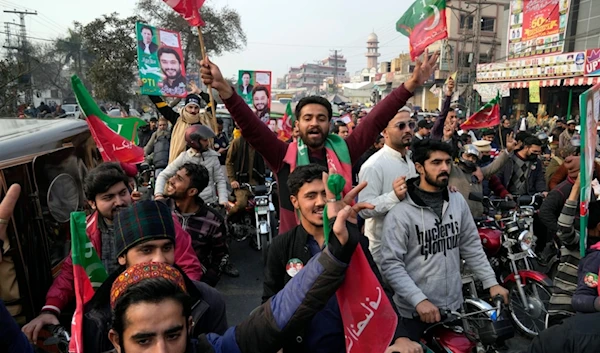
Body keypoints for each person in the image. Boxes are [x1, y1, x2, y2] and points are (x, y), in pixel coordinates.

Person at [107, 176, 370, 353]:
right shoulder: (91, 324)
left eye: (173, 335)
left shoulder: (209, 305)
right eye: (143, 340)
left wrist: (335, 248)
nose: (161, 350)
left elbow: (276, 313)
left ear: (189, 326)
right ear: (116, 340)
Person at [199, 50, 440, 235]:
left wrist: (411, 86)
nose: (314, 123)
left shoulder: (345, 151)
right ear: (297, 125)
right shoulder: (282, 157)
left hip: (342, 244)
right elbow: (252, 127)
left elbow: (375, 120)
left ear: (329, 124)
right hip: (297, 250)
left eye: (321, 118)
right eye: (308, 118)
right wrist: (225, 90)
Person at [21, 163, 201, 343]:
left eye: (122, 193)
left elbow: (189, 267)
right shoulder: (86, 234)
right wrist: (50, 309)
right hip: (108, 317)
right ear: (92, 203)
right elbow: (70, 273)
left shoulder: (156, 221)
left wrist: (182, 306)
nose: (120, 202)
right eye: (109, 197)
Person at [379, 139, 508, 343]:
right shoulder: (400, 212)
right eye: (436, 163)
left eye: (448, 162)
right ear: (419, 167)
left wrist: (491, 282)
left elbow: (471, 246)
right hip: (413, 314)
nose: (444, 168)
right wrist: (418, 300)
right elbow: (391, 264)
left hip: (453, 307)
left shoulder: (456, 201)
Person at [262, 164, 383, 353]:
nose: (320, 202)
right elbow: (270, 300)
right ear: (294, 201)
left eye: (325, 194)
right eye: (310, 196)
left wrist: (399, 336)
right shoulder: (280, 246)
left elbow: (379, 289)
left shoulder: (351, 241)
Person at [82, 200, 227, 353]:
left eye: (166, 248)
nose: (159, 259)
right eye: (146, 250)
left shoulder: (207, 301)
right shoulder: (96, 316)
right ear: (122, 257)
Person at [357, 107, 418, 265]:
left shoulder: (410, 159)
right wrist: (394, 197)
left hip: (412, 246)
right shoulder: (374, 166)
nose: (407, 130)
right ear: (385, 132)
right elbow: (363, 209)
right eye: (400, 126)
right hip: (384, 253)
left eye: (410, 125)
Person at [164, 163, 239, 283]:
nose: (171, 180)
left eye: (179, 179)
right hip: (161, 281)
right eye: (174, 176)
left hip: (194, 284)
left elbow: (220, 257)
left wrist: (206, 283)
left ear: (192, 191)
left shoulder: (213, 221)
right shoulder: (161, 209)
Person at [547, 175, 600, 326]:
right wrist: (576, 188)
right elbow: (564, 227)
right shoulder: (578, 242)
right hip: (564, 313)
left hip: (589, 315)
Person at [156, 125, 228, 208]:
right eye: (204, 140)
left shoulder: (213, 157)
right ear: (195, 141)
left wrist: (223, 200)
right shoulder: (184, 157)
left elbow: (220, 180)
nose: (207, 143)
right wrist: (158, 195)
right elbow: (163, 175)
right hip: (188, 205)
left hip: (209, 204)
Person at [147, 82, 217, 163]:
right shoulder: (177, 119)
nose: (193, 110)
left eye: (196, 108)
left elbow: (213, 104)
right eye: (190, 107)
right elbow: (160, 104)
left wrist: (199, 92)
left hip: (203, 162)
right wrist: (147, 88)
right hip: (181, 163)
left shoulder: (204, 119)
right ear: (185, 107)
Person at [226, 136, 266, 215]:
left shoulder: (261, 143)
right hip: (241, 184)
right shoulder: (237, 142)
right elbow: (229, 162)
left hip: (258, 184)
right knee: (241, 204)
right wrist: (232, 180)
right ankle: (227, 220)